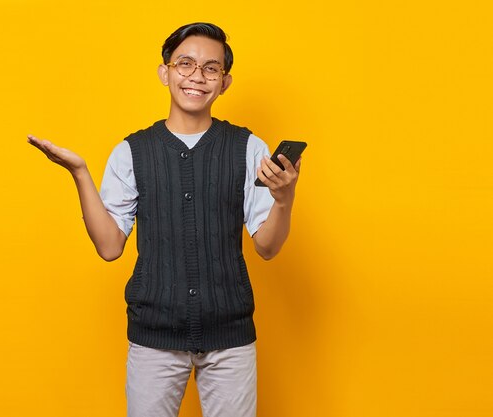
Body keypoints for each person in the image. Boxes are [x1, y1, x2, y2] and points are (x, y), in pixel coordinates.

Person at [27, 22, 301, 417]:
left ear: (225, 82)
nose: (197, 76)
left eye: (211, 68)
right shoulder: (131, 151)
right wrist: (80, 173)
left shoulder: (248, 148)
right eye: (185, 63)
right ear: (165, 72)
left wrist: (284, 197)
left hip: (231, 338)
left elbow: (268, 246)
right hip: (153, 337)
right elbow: (109, 247)